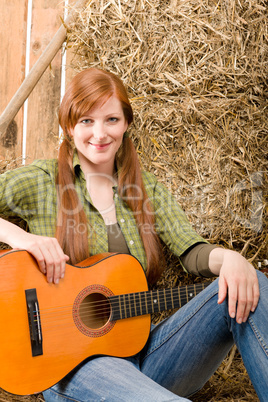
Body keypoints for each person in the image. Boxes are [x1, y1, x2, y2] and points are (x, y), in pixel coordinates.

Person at [0, 68, 267, 402]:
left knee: (252, 282)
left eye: (111, 119)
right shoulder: (41, 180)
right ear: (68, 127)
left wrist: (232, 258)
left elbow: (191, 251)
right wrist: (20, 238)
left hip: (146, 360)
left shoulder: (146, 189)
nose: (99, 133)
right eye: (86, 121)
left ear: (126, 124)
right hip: (71, 368)